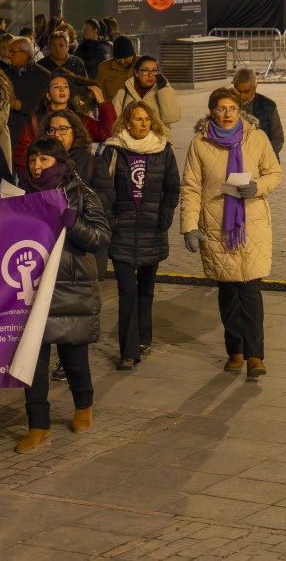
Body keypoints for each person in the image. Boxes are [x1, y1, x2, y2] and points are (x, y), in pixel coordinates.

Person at [14, 137, 109, 453]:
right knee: (33, 362)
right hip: (32, 290)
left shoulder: (81, 194)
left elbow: (100, 236)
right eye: (33, 160)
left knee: (74, 359)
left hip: (70, 288)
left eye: (44, 160)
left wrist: (75, 225)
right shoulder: (22, 195)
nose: (37, 166)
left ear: (59, 162)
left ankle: (83, 405)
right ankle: (37, 425)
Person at [181, 88, 283, 377]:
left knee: (250, 292)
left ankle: (255, 356)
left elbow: (275, 173)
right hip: (216, 226)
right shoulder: (199, 143)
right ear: (212, 111)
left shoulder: (256, 137)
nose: (227, 114)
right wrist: (188, 227)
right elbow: (190, 187)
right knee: (227, 294)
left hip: (251, 225)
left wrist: (258, 187)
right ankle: (235, 350)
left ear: (240, 111)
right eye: (221, 108)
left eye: (232, 109)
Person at [105, 103, 180, 371]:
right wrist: (111, 221)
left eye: (147, 119)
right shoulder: (113, 149)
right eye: (138, 119)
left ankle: (144, 337)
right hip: (121, 231)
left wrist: (165, 218)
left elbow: (173, 188)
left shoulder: (163, 149)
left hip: (152, 229)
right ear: (127, 122)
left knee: (146, 289)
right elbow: (102, 188)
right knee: (127, 290)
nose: (144, 123)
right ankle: (128, 351)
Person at [13, 73, 115, 174]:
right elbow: (22, 155)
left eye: (65, 87)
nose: (62, 89)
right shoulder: (35, 121)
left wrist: (101, 101)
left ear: (69, 93)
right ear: (48, 95)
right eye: (56, 86)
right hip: (44, 180)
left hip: (75, 176)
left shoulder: (79, 119)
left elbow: (106, 133)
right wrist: (29, 181)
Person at [110, 55, 181, 139]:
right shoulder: (123, 93)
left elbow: (172, 117)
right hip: (130, 145)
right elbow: (113, 123)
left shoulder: (163, 90)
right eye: (145, 71)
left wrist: (163, 90)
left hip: (159, 143)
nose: (150, 75)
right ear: (136, 73)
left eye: (154, 70)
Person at [1, 37, 51, 145]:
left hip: (33, 133)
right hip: (9, 133)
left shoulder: (44, 76)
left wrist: (22, 106)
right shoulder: (4, 75)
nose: (9, 55)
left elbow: (47, 106)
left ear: (25, 54)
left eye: (13, 52)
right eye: (10, 52)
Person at [234, 68, 284, 158]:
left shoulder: (268, 106)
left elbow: (277, 138)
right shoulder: (226, 105)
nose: (242, 96)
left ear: (255, 88)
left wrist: (264, 155)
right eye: (239, 91)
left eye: (246, 92)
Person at [95, 35, 137, 102]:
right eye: (118, 58)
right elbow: (98, 95)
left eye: (125, 58)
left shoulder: (144, 65)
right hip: (113, 111)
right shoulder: (103, 69)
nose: (122, 62)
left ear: (132, 54)